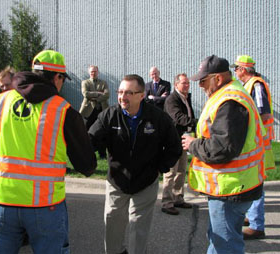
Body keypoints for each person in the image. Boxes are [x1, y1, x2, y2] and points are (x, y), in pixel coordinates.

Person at [0, 50, 97, 254]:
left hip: (1, 203)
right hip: (46, 206)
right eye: (62, 79)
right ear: (57, 77)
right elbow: (87, 166)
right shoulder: (64, 111)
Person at [89, 74, 182, 254]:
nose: (123, 97)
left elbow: (174, 147)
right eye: (121, 92)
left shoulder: (158, 118)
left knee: (139, 227)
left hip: (146, 182)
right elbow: (90, 141)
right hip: (117, 181)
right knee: (112, 223)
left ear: (141, 95)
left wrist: (159, 168)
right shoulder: (108, 116)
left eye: (129, 93)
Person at [182, 55, 265, 254]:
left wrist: (193, 145)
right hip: (234, 185)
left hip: (231, 188)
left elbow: (222, 148)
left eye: (203, 80)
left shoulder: (229, 101)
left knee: (225, 245)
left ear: (217, 79)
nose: (200, 86)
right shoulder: (231, 93)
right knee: (220, 240)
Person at [232, 55, 275, 240]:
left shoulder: (256, 85)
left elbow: (262, 114)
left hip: (258, 142)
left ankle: (257, 225)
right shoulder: (249, 85)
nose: (235, 71)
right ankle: (251, 217)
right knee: (252, 179)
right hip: (255, 141)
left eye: (236, 68)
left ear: (243, 69)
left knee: (256, 182)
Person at [161, 73, 197, 215]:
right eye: (184, 83)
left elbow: (189, 116)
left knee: (181, 170)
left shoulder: (185, 98)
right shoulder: (172, 99)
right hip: (172, 141)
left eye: (188, 83)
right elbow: (179, 118)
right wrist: (198, 123)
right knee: (170, 172)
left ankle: (178, 198)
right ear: (176, 85)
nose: (187, 85)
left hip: (183, 139)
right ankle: (166, 202)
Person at [79, 65, 109, 158]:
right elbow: (86, 94)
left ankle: (102, 154)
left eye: (95, 71)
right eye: (92, 71)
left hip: (101, 111)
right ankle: (87, 153)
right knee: (87, 133)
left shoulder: (103, 83)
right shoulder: (85, 82)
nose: (93, 73)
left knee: (102, 132)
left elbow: (107, 95)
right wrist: (99, 93)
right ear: (89, 72)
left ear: (98, 72)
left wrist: (94, 96)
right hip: (88, 112)